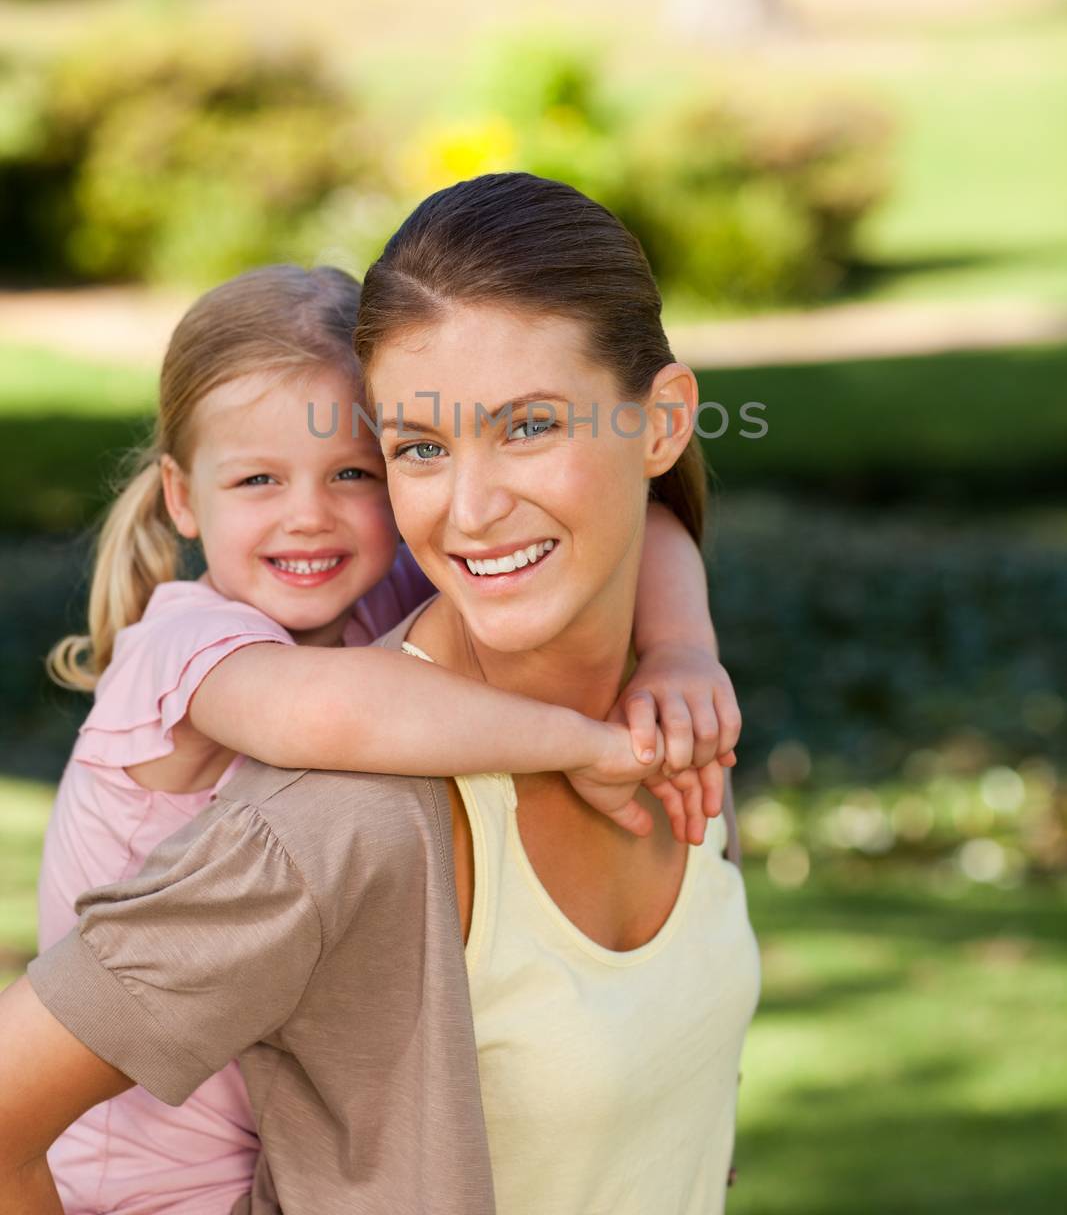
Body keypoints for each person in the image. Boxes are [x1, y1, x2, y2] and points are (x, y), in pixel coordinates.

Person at [1, 175, 756, 1214]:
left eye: (529, 425)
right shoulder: (314, 801)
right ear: (184, 495)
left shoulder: (660, 706)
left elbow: (648, 522)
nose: (474, 507)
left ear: (662, 423)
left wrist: (679, 651)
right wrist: (576, 743)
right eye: (421, 449)